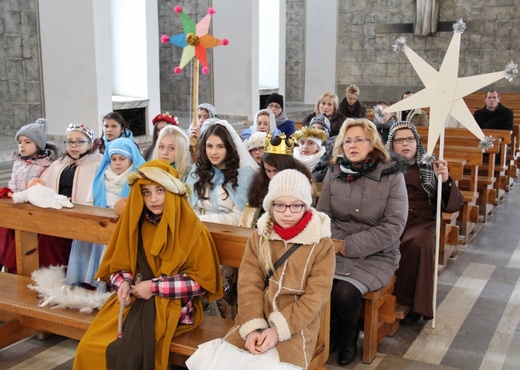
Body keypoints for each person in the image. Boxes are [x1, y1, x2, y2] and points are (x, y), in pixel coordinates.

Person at [73, 160, 223, 370]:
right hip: (133, 299)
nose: (153, 199)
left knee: (130, 352)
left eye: (160, 190)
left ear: (172, 191)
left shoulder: (192, 229)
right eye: (146, 192)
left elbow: (200, 283)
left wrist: (154, 287)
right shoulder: (134, 223)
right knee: (91, 346)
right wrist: (123, 283)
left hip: (173, 305)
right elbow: (118, 265)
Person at [186, 169, 335, 370]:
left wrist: (277, 330)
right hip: (255, 317)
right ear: (270, 205)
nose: (287, 212)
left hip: (295, 327)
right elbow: (249, 285)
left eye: (296, 205)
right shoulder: (259, 237)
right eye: (279, 205)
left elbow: (315, 297)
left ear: (306, 206)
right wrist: (253, 328)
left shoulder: (321, 244)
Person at [316, 118, 408, 366]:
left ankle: (348, 335)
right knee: (317, 284)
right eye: (347, 141)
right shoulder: (335, 172)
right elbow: (322, 216)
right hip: (334, 247)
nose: (352, 145)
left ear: (372, 143)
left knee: (344, 293)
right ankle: (332, 329)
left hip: (377, 253)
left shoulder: (391, 175)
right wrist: (337, 242)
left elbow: (393, 226)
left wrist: (348, 245)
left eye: (359, 140)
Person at [386, 121, 464, 321]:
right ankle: (379, 298)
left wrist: (445, 180)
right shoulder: (384, 166)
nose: (406, 144)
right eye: (400, 140)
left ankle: (412, 302)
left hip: (421, 219)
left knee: (418, 242)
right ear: (391, 144)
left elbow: (452, 205)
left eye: (410, 139)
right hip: (391, 217)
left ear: (417, 142)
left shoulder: (431, 164)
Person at [66, 138, 145, 289]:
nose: (117, 163)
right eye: (113, 159)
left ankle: (109, 284)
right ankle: (87, 280)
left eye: (122, 159)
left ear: (132, 159)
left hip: (124, 224)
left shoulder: (137, 178)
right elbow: (91, 199)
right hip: (100, 219)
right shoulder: (102, 175)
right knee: (84, 237)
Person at [37, 123, 102, 269]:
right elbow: (44, 187)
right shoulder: (58, 164)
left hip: (82, 217)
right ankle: (50, 275)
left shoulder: (97, 164)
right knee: (46, 237)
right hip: (57, 214)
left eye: (80, 141)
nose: (74, 145)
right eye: (70, 141)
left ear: (90, 144)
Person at [0, 118, 59, 271]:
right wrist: (12, 193)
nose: (22, 146)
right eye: (20, 142)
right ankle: (9, 266)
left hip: (35, 208)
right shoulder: (18, 162)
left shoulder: (48, 164)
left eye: (27, 142)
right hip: (17, 204)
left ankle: (23, 268)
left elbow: (45, 188)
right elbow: (13, 182)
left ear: (38, 145)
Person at [186, 120, 257, 225]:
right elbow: (188, 206)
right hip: (195, 230)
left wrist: (200, 220)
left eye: (220, 146)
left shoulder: (242, 174)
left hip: (228, 233)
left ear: (228, 148)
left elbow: (239, 217)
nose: (214, 152)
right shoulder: (199, 169)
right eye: (209, 146)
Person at [240, 133, 314, 228]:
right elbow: (252, 211)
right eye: (268, 171)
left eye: (276, 171)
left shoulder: (302, 183)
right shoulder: (260, 181)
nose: (272, 176)